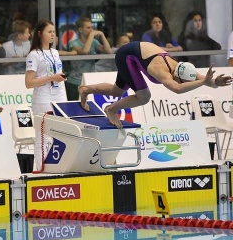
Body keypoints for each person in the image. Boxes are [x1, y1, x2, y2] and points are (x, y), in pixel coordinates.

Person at [78, 41, 232, 129]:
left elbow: (206, 81)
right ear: (177, 77)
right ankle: (111, 109)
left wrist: (215, 83)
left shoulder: (185, 70)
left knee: (117, 91)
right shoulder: (161, 71)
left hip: (136, 54)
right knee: (144, 96)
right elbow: (177, 89)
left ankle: (85, 89)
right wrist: (203, 82)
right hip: (126, 56)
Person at [24, 19, 68, 172]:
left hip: (60, 96)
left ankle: (58, 167)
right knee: (43, 136)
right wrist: (51, 78)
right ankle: (41, 169)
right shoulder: (34, 55)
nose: (52, 35)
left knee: (62, 135)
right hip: (43, 98)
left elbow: (55, 75)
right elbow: (29, 83)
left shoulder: (55, 52)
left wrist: (59, 78)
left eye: (54, 32)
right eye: (49, 32)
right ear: (40, 34)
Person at [66, 17, 112, 100]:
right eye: (88, 28)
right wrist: (91, 35)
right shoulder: (73, 43)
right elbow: (85, 51)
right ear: (80, 30)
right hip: (75, 82)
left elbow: (108, 51)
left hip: (89, 80)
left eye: (92, 27)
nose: (91, 30)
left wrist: (102, 35)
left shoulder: (94, 42)